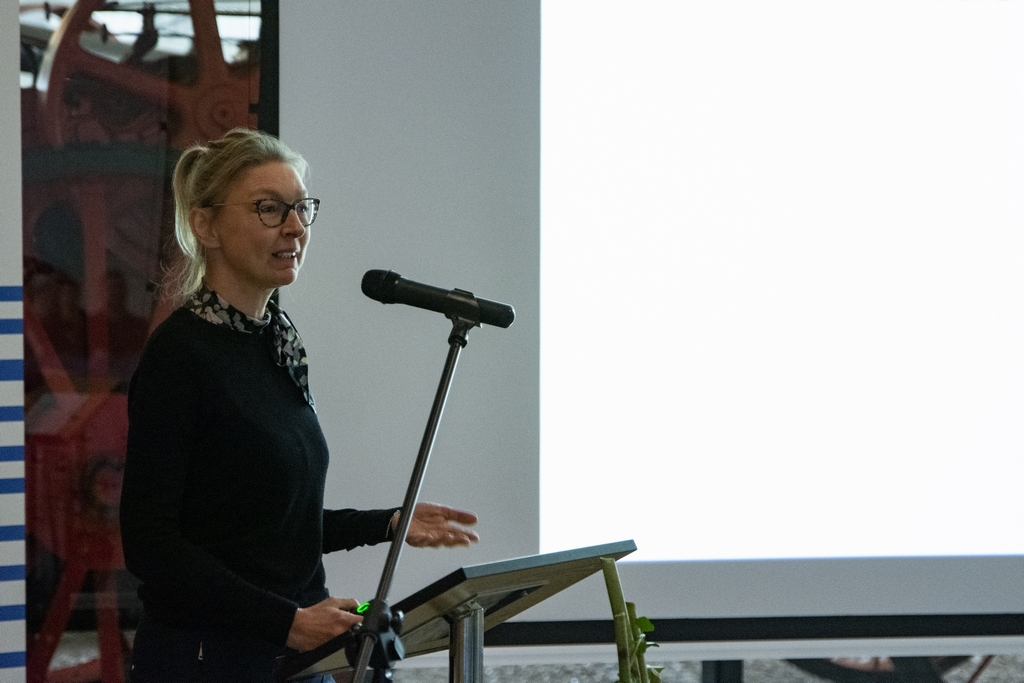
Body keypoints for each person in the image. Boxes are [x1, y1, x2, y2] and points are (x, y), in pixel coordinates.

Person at [119, 128, 479, 683]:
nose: (295, 227)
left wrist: (389, 522)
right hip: (207, 659)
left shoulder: (276, 342)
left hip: (289, 652)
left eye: (302, 208)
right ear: (205, 226)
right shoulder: (180, 355)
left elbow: (271, 526)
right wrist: (286, 621)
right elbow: (151, 545)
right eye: (269, 209)